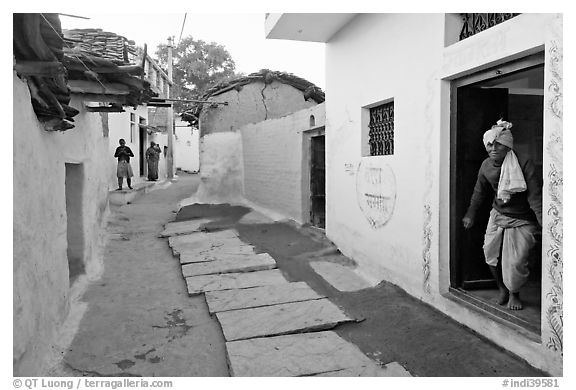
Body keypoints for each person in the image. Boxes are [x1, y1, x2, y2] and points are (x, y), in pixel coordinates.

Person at [462, 120, 542, 311]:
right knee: (489, 252)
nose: (493, 148)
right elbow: (479, 191)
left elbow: (534, 195)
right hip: (498, 213)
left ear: (508, 146)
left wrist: (543, 222)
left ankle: (514, 292)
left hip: (523, 218)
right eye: (490, 144)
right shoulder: (486, 166)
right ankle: (502, 288)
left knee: (516, 262)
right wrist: (470, 214)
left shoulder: (523, 163)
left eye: (499, 144)